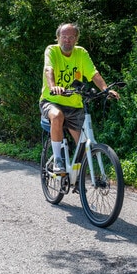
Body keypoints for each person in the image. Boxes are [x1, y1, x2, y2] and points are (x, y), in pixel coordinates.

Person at [39, 23, 119, 171]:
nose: (67, 40)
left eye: (71, 37)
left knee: (83, 146)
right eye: (64, 37)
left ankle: (78, 179)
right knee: (57, 116)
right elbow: (48, 69)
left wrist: (106, 89)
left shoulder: (81, 53)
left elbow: (93, 73)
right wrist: (53, 87)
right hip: (51, 100)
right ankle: (58, 160)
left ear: (76, 39)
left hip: (74, 105)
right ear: (58, 38)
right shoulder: (52, 50)